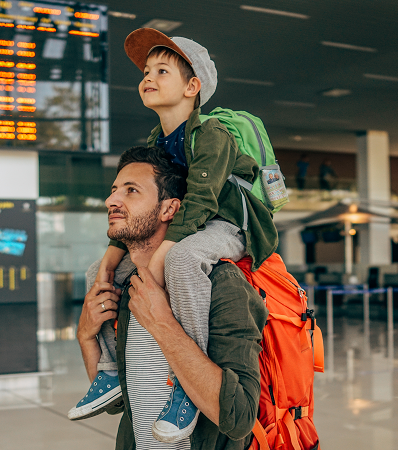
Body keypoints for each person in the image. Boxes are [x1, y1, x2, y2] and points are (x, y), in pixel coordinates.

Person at [67, 28, 278, 443]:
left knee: (181, 260)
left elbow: (198, 202)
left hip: (228, 224)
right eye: (146, 70)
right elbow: (129, 405)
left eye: (162, 70)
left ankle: (185, 388)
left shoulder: (212, 135)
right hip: (189, 228)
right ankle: (108, 375)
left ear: (193, 86)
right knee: (99, 266)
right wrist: (102, 286)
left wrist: (159, 264)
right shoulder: (156, 142)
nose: (148, 76)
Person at [76, 146, 267, 450]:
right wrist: (86, 336)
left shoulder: (220, 284)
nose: (111, 200)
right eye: (114, 191)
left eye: (131, 191)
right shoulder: (128, 288)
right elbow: (119, 404)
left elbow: (239, 417)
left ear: (169, 209)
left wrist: (162, 323)